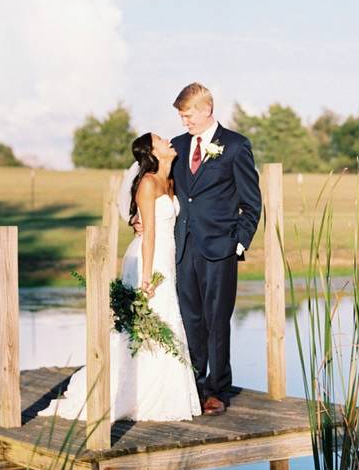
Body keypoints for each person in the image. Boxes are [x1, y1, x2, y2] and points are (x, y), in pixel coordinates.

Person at [38, 133, 202, 421]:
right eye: (161, 140)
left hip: (167, 257)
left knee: (166, 319)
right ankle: (127, 392)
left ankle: (164, 392)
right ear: (152, 151)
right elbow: (149, 232)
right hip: (149, 260)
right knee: (143, 324)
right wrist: (147, 277)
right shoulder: (148, 183)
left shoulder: (171, 180)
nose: (168, 141)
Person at [170, 83, 262, 416]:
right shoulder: (177, 146)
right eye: (181, 116)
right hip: (183, 247)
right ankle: (193, 384)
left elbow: (252, 202)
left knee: (216, 320)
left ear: (206, 109)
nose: (185, 123)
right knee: (190, 319)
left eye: (188, 115)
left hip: (220, 248)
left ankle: (217, 389)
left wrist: (238, 242)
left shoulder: (236, 146)